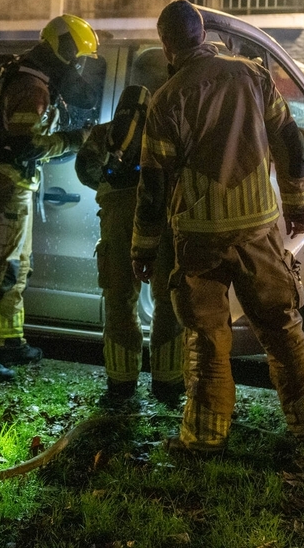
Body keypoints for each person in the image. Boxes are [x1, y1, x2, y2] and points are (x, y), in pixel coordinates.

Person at [132, 0, 304, 455]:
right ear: (201, 33)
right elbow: (290, 141)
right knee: (283, 327)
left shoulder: (166, 100)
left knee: (206, 338)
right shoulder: (253, 75)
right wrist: (297, 203)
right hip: (257, 230)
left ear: (167, 45)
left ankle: (204, 437)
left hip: (199, 237)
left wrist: (142, 249)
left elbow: (153, 185)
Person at [0, 14, 97, 380]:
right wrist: (75, 140)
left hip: (18, 183)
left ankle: (9, 339)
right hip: (7, 183)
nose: (79, 67)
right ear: (64, 51)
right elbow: (26, 143)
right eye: (78, 58)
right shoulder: (31, 88)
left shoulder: (35, 78)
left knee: (18, 267)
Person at [75, 85, 184, 407]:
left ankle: (121, 383)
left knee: (120, 297)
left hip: (116, 220)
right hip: (160, 219)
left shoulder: (104, 134)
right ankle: (168, 382)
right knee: (167, 300)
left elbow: (84, 170)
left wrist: (110, 189)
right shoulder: (167, 131)